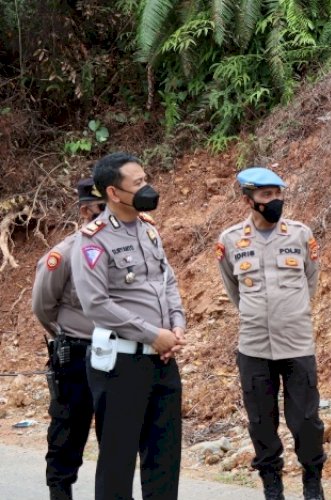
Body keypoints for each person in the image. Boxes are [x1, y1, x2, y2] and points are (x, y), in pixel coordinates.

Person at [70, 152, 187, 500]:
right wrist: (154, 335)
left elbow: (167, 281)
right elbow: (97, 305)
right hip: (121, 365)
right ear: (113, 193)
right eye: (138, 184)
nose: (147, 187)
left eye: (145, 179)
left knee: (164, 461)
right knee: (117, 463)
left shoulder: (149, 230)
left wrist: (176, 325)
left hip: (163, 362)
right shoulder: (93, 239)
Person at [216, 166, 325, 500]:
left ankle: (312, 481)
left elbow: (311, 280)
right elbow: (232, 288)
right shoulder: (231, 240)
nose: (275, 200)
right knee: (261, 423)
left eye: (278, 194)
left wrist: (288, 312)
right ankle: (272, 487)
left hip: (297, 344)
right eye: (266, 195)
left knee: (306, 421)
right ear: (248, 200)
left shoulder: (301, 235)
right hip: (254, 347)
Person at [32, 179, 106, 500]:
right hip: (76, 358)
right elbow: (43, 307)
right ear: (86, 209)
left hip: (117, 357)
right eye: (103, 207)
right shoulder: (64, 254)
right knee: (66, 439)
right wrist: (72, 337)